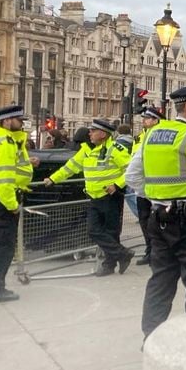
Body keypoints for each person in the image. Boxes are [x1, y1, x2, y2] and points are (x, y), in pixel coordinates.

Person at [125, 84, 186, 340]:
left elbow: (132, 176)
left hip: (159, 218)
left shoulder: (151, 135)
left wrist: (156, 197)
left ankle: (151, 337)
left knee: (161, 280)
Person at [45, 118, 134, 277]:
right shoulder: (85, 149)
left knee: (111, 232)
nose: (90, 133)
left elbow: (131, 169)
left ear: (103, 134)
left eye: (93, 131)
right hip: (94, 196)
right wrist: (53, 179)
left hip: (110, 196)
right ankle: (122, 254)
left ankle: (110, 264)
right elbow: (70, 167)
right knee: (93, 231)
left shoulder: (115, 149)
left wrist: (117, 185)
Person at [0, 105, 33, 302]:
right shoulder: (4, 142)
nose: (22, 123)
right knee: (4, 246)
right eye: (18, 120)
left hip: (4, 199)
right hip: (3, 202)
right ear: (6, 121)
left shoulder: (9, 140)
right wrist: (11, 205)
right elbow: (3, 179)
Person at [132, 106, 163, 266]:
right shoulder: (139, 138)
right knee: (144, 221)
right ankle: (149, 250)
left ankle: (157, 252)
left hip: (156, 187)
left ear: (156, 120)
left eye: (148, 118)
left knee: (156, 222)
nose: (144, 121)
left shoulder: (160, 136)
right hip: (141, 187)